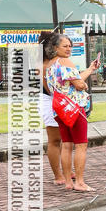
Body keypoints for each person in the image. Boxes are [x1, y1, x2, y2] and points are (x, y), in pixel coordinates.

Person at [44, 32, 98, 192]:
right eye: (64, 46)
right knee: (81, 145)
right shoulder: (66, 62)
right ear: (55, 47)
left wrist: (89, 70)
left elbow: (69, 81)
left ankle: (68, 181)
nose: (68, 49)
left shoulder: (50, 65)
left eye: (69, 46)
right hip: (75, 108)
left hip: (60, 110)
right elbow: (79, 84)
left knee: (66, 145)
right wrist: (84, 85)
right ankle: (80, 182)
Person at [38, 32, 65, 185]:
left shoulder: (56, 62)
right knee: (54, 140)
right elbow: (50, 90)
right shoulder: (44, 65)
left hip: (57, 100)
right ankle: (58, 175)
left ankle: (65, 169)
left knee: (63, 139)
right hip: (50, 101)